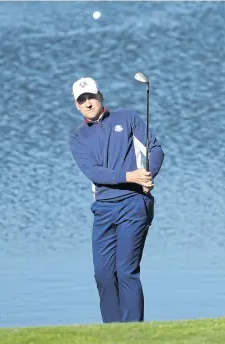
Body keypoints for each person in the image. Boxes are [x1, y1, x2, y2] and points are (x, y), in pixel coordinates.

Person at [68, 77, 164, 323]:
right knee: (103, 274)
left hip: (134, 203)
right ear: (77, 106)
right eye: (82, 100)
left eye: (90, 97)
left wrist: (148, 174)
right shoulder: (78, 138)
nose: (88, 103)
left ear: (100, 96)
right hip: (103, 209)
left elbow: (155, 149)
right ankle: (112, 332)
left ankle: (132, 332)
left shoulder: (127, 118)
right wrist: (129, 175)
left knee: (126, 271)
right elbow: (94, 172)